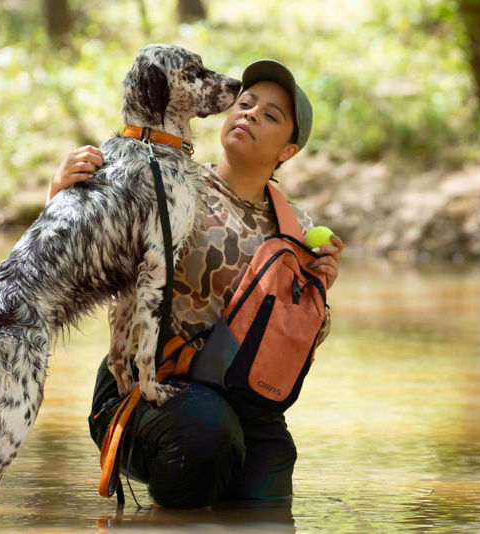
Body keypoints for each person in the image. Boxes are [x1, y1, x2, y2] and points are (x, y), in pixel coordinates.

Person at [47, 59, 343, 508]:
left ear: (288, 151)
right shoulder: (164, 182)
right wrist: (60, 195)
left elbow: (298, 339)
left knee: (269, 497)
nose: (249, 115)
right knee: (207, 435)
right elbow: (80, 262)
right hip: (142, 390)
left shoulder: (295, 227)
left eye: (270, 116)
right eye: (245, 104)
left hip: (240, 398)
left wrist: (320, 292)